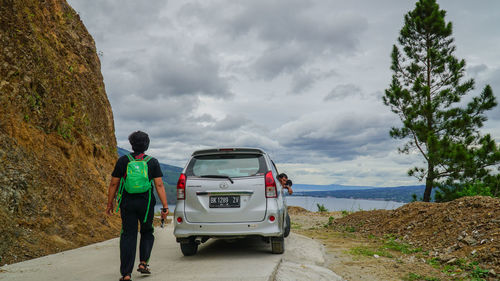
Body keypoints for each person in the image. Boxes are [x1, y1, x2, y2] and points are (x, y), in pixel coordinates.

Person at [106, 131, 169, 281]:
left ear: (131, 145)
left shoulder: (123, 161)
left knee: (128, 235)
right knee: (147, 231)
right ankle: (143, 264)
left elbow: (114, 183)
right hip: (146, 203)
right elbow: (159, 185)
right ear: (147, 144)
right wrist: (165, 207)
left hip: (127, 203)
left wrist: (109, 203)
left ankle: (126, 274)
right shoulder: (152, 162)